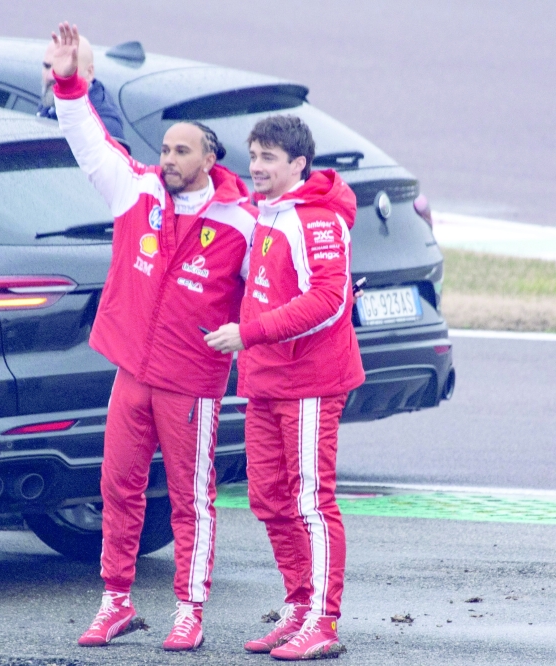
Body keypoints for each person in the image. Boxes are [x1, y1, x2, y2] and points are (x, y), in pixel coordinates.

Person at [47, 22, 257, 652]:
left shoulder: (242, 220)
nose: (167, 159)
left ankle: (189, 610)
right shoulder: (136, 189)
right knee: (117, 486)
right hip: (131, 374)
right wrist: (69, 82)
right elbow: (87, 139)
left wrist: (248, 334)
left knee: (193, 501)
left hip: (191, 385)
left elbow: (274, 286)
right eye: (164, 149)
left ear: (209, 160)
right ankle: (115, 601)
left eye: (181, 152)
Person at [206, 114, 364, 660]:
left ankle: (323, 620)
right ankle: (298, 607)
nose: (256, 167)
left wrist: (248, 334)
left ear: (299, 164)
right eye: (253, 156)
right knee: (268, 497)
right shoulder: (266, 212)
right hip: (266, 380)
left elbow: (329, 302)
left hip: (311, 383)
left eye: (269, 158)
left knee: (310, 501)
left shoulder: (317, 219)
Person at [38, 33, 125, 140]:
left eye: (66, 68)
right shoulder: (51, 98)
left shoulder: (103, 127)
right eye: (47, 66)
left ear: (89, 72)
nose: (52, 76)